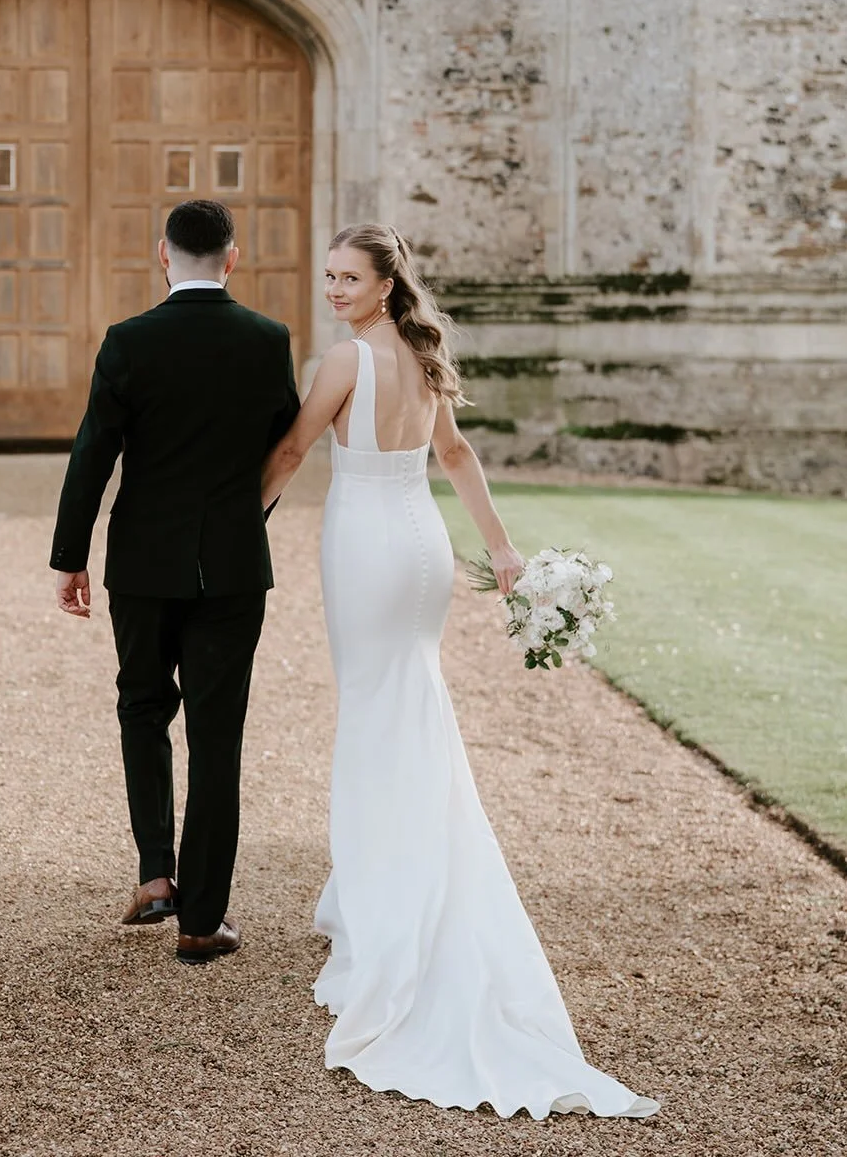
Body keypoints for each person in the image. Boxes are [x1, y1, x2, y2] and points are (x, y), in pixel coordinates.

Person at [261, 223, 660, 1119]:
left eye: (346, 278)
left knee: (372, 714)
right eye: (326, 277)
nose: (332, 290)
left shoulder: (345, 361)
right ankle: (392, 877)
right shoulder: (425, 354)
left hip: (366, 545)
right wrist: (501, 549)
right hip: (423, 548)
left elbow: (290, 453)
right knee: (408, 708)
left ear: (381, 283)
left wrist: (235, 525)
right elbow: (454, 458)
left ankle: (384, 906)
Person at [50, 199, 300, 965]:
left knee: (142, 706)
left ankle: (155, 875)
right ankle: (202, 921)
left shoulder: (128, 342)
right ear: (232, 257)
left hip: (143, 562)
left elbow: (94, 453)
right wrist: (240, 519)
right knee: (216, 738)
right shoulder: (266, 340)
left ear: (164, 254)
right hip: (230, 564)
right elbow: (280, 447)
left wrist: (70, 556)